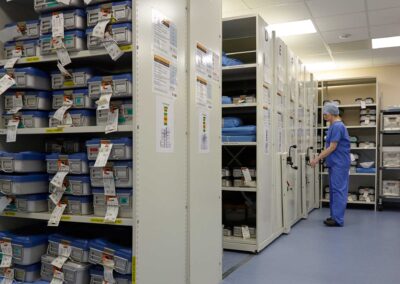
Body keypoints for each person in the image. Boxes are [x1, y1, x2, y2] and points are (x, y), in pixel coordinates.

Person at [310, 103, 351, 227]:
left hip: (340, 163)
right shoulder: (333, 126)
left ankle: (338, 219)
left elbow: (332, 147)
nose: (323, 116)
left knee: (339, 190)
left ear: (332, 113)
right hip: (335, 163)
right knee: (334, 190)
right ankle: (334, 216)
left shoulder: (338, 126)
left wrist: (317, 158)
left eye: (325, 114)